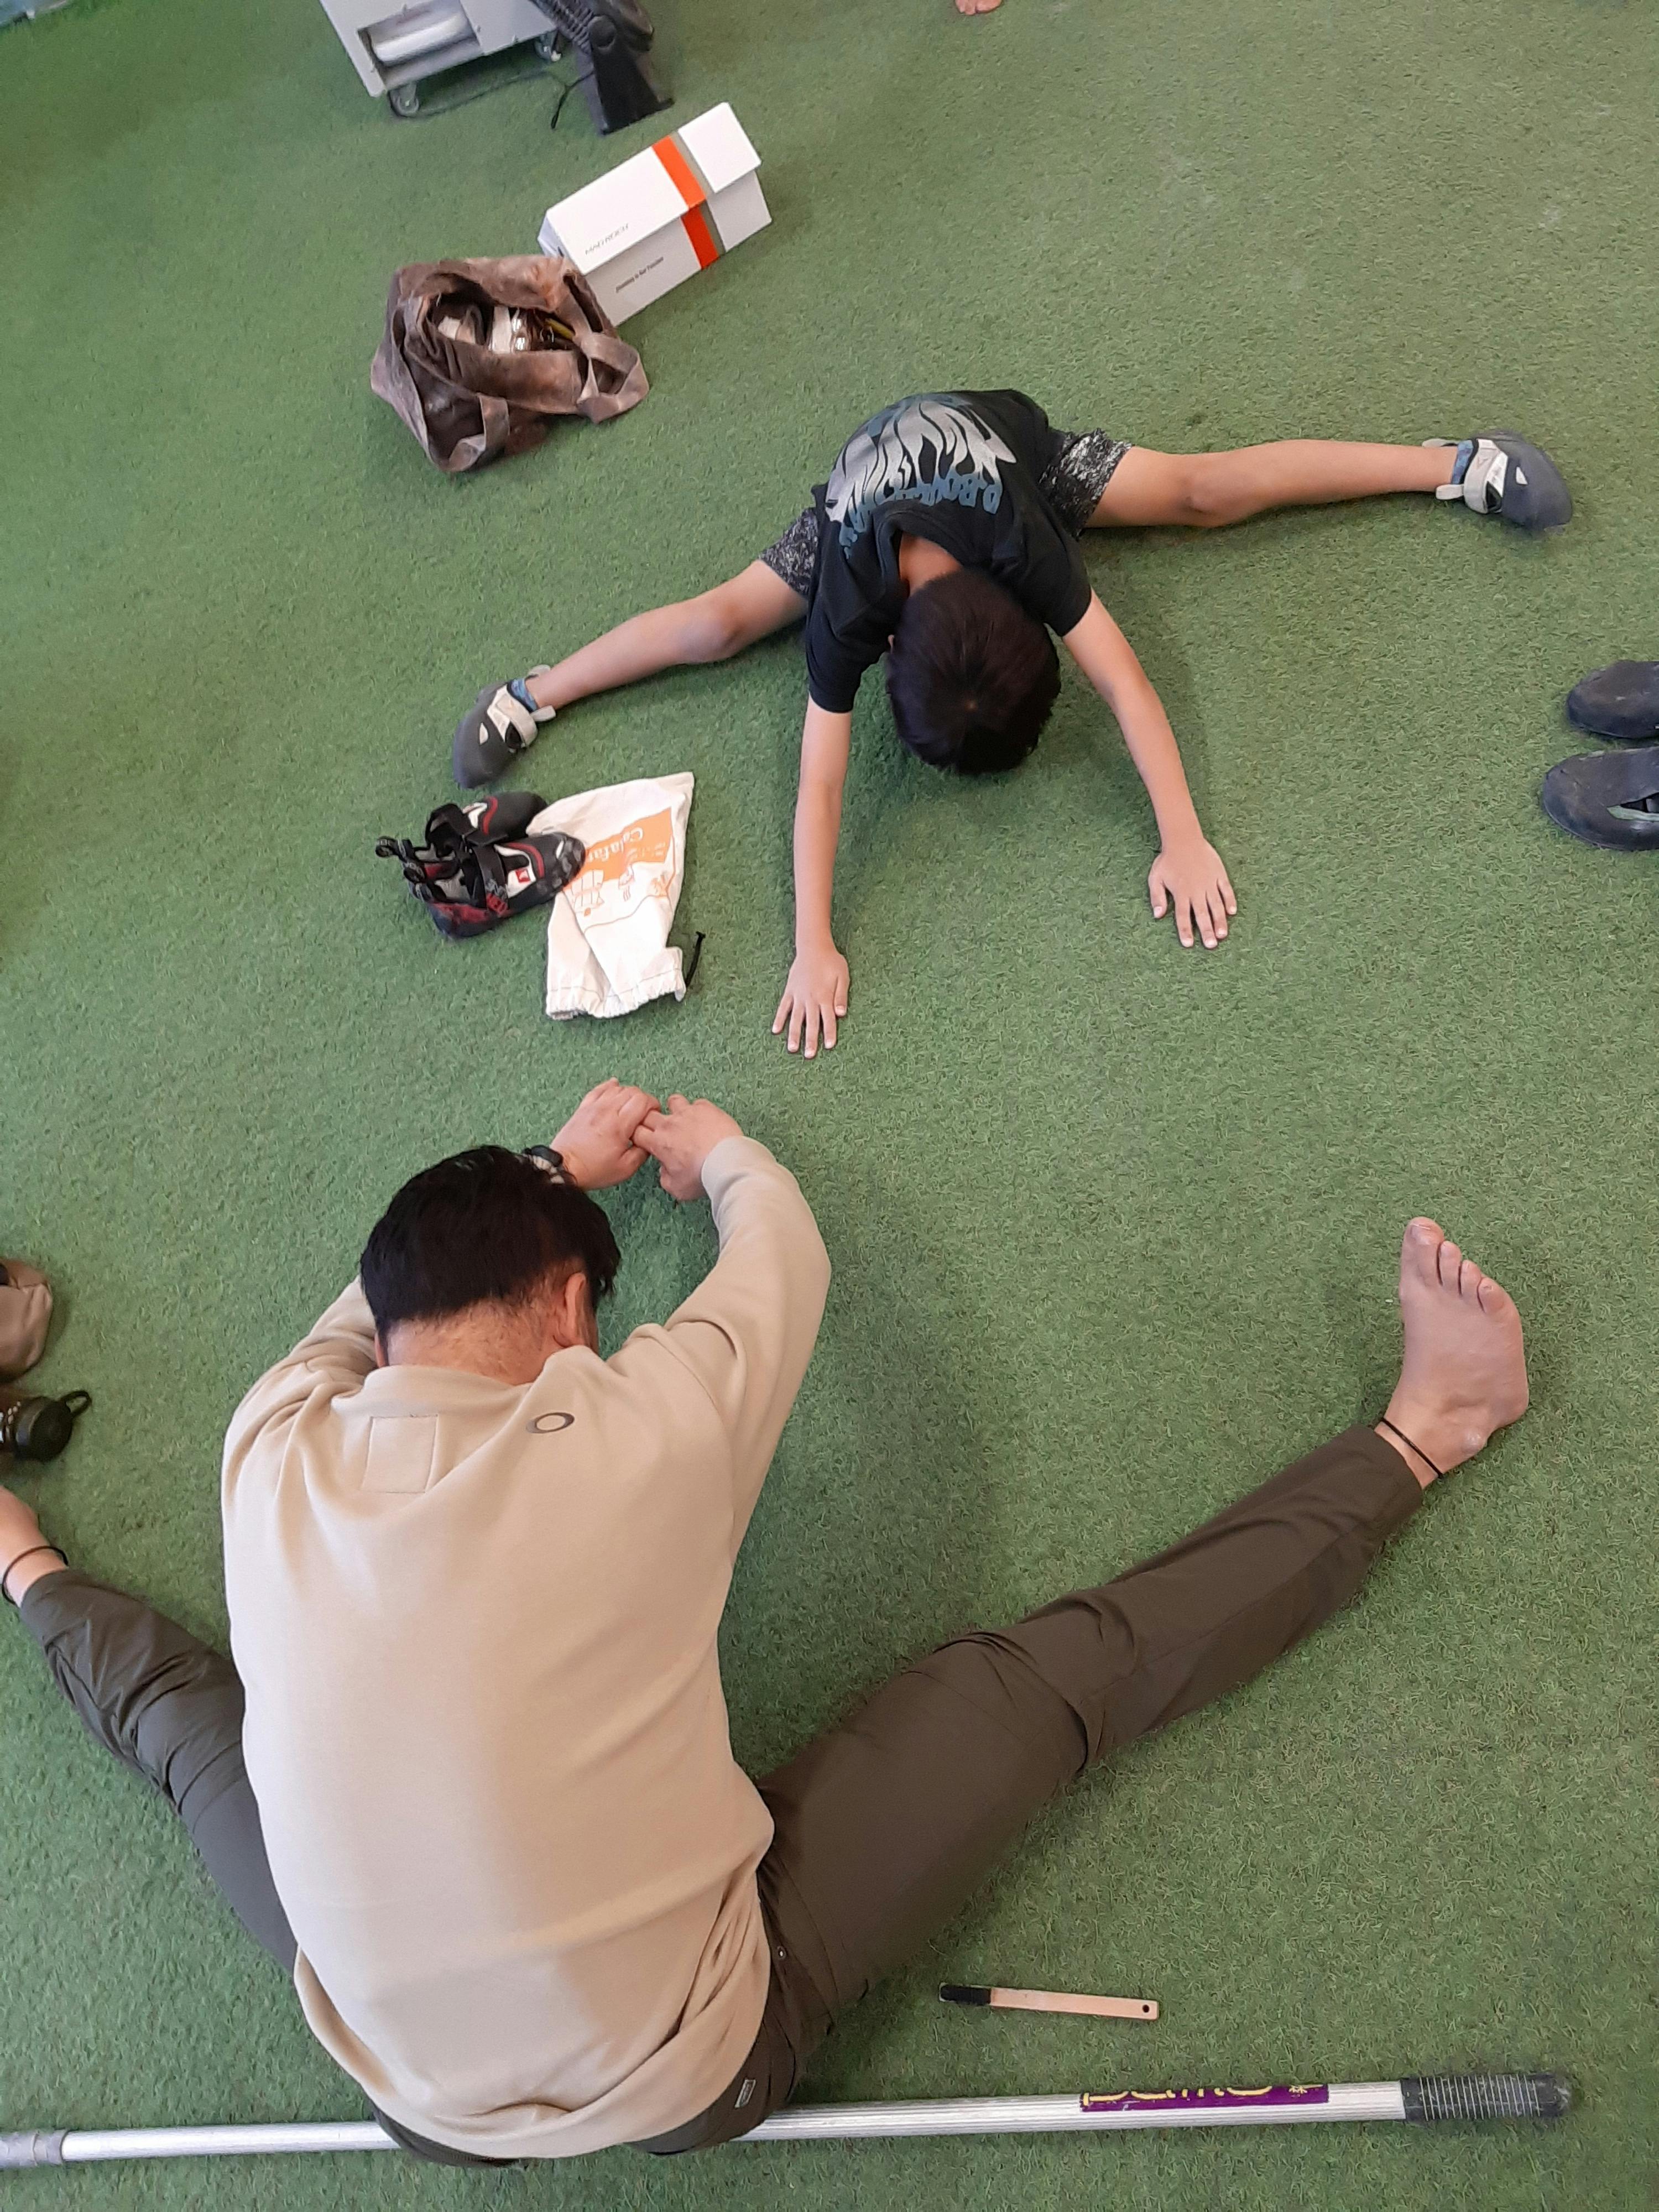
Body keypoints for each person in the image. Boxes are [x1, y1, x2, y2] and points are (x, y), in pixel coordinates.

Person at [0, 1082, 1528, 2163]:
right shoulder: (636, 1427)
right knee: (1047, 1682)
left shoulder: (269, 1441)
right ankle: (1431, 1430)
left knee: (184, 1729)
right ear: (575, 1316)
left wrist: (550, 1168)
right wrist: (717, 1146)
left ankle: (17, 1557)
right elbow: (779, 1245)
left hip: (412, 2104)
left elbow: (359, 1313)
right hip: (699, 2068)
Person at [449, 394, 1571, 1056]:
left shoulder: (1031, 545)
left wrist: (1183, 834)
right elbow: (821, 783)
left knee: (1198, 491)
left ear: (1035, 605)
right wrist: (811, 942)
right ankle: (536, 692)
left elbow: (1126, 686)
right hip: (858, 495)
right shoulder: (846, 598)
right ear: (888, 644)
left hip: (1009, 451)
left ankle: (1456, 463)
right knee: (716, 624)